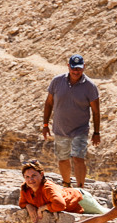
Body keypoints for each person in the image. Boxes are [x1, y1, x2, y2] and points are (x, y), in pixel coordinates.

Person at [41, 55, 101, 188]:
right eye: (73, 68)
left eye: (79, 69)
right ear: (68, 67)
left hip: (80, 129)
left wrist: (97, 132)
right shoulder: (57, 81)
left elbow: (96, 111)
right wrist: (45, 125)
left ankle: (80, 189)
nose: (76, 72)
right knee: (63, 159)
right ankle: (67, 185)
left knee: (78, 158)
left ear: (84, 67)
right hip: (60, 128)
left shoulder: (90, 86)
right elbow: (48, 103)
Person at [18, 160, 105, 220]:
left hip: (80, 199)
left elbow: (60, 205)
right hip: (68, 195)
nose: (30, 180)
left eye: (34, 175)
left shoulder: (48, 187)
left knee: (105, 214)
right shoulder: (25, 188)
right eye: (27, 177)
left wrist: (44, 207)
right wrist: (28, 206)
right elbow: (22, 203)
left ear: (41, 174)